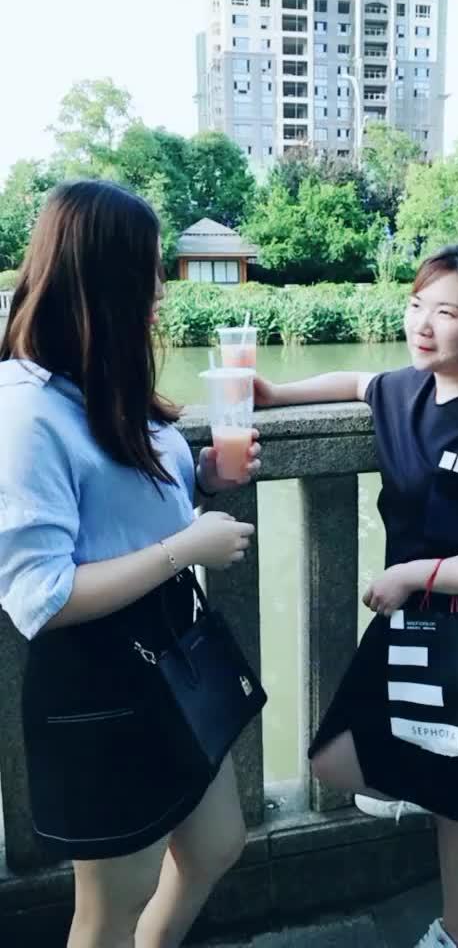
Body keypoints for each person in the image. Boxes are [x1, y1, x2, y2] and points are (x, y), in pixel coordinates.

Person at [254, 244, 458, 948]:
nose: (422, 323)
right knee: (334, 759)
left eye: (447, 312)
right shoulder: (406, 390)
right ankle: (438, 785)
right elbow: (357, 380)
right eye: (417, 304)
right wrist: (274, 394)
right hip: (409, 626)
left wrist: (415, 575)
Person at [0, 180, 261, 948]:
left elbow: (121, 499)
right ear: (100, 279)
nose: (160, 290)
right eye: (147, 272)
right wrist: (186, 547)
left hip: (173, 653)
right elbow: (40, 596)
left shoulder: (102, 375)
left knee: (216, 843)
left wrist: (201, 476)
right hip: (101, 678)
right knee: (111, 905)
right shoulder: (26, 411)